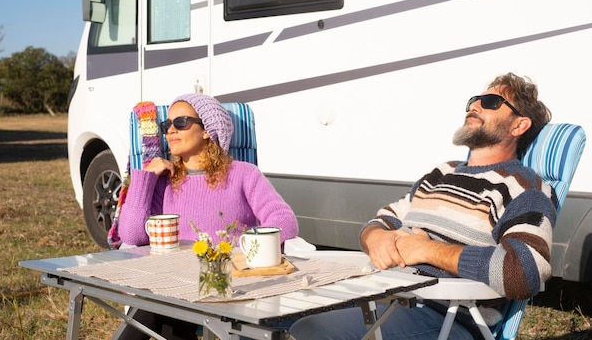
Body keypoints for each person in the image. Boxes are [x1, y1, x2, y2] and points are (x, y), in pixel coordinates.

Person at [289, 73, 555, 340]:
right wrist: (377, 239)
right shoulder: (442, 173)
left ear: (519, 125)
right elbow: (385, 218)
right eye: (474, 100)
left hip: (447, 317)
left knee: (312, 330)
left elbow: (524, 271)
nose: (474, 106)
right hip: (388, 298)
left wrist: (426, 250)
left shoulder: (523, 188)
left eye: (490, 101)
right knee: (279, 313)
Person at [115, 93, 299, 340]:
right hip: (176, 283)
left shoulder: (243, 174)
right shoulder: (164, 183)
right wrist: (144, 178)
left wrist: (240, 252)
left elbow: (284, 220)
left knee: (156, 308)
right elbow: (132, 235)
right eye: (165, 125)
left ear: (206, 130)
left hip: (229, 283)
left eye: (180, 122)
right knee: (159, 305)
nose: (170, 130)